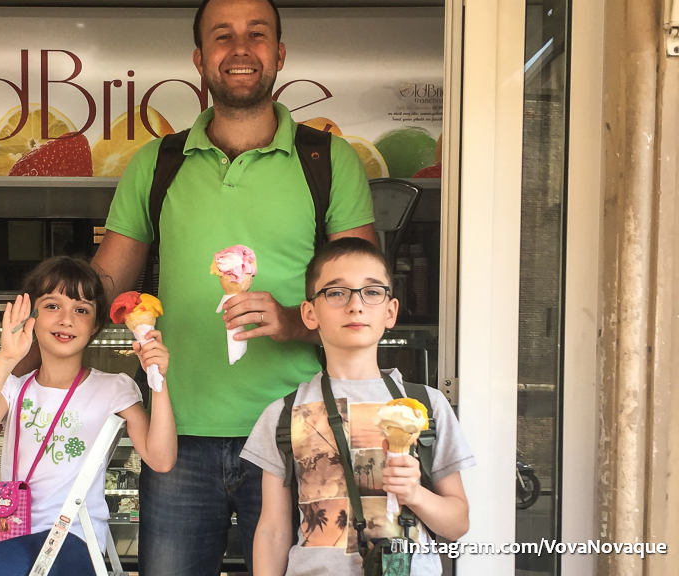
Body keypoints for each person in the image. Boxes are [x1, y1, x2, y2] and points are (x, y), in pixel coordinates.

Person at [91, 0, 376, 573]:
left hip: (301, 432)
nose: (240, 48)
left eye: (257, 34)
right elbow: (103, 285)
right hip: (179, 435)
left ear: (280, 53)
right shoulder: (157, 163)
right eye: (223, 36)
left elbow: (361, 295)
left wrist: (294, 320)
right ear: (200, 57)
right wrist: (29, 344)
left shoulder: (326, 160)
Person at [241, 238, 474, 575]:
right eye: (336, 293)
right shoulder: (282, 414)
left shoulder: (425, 406)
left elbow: (458, 523)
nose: (355, 305)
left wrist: (415, 493)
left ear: (390, 311)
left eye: (372, 291)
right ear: (310, 313)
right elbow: (272, 530)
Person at [0, 256, 177, 576]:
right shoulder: (14, 388)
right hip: (11, 539)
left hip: (72, 539)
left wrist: (159, 379)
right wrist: (6, 357)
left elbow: (162, 459)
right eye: (52, 306)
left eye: (81, 309)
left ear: (96, 324)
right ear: (31, 317)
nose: (66, 319)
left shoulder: (113, 387)